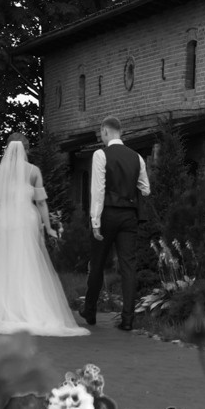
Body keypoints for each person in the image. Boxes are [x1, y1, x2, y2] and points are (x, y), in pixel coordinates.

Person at [0, 135, 87, 337]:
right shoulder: (33, 171)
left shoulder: (0, 171)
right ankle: (30, 308)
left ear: (8, 149)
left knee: (3, 265)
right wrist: (48, 227)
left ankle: (4, 311)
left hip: (4, 223)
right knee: (27, 262)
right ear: (26, 148)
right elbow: (41, 202)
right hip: (26, 221)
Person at [82, 120, 150, 330]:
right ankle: (128, 319)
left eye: (101, 134)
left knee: (98, 264)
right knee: (128, 266)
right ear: (121, 132)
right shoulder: (137, 157)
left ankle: (90, 311)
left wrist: (95, 220)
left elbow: (98, 190)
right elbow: (146, 189)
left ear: (105, 131)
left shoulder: (101, 155)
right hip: (129, 216)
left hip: (107, 215)